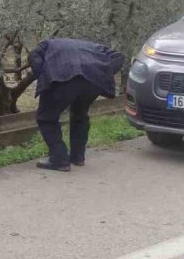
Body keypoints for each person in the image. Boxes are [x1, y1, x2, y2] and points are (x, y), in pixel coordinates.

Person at [28, 37, 126, 171]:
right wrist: (102, 72)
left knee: (46, 118)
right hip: (92, 82)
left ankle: (59, 159)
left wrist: (44, 76)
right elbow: (119, 56)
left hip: (62, 78)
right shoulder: (94, 46)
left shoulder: (47, 44)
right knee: (80, 114)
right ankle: (77, 157)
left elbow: (33, 55)